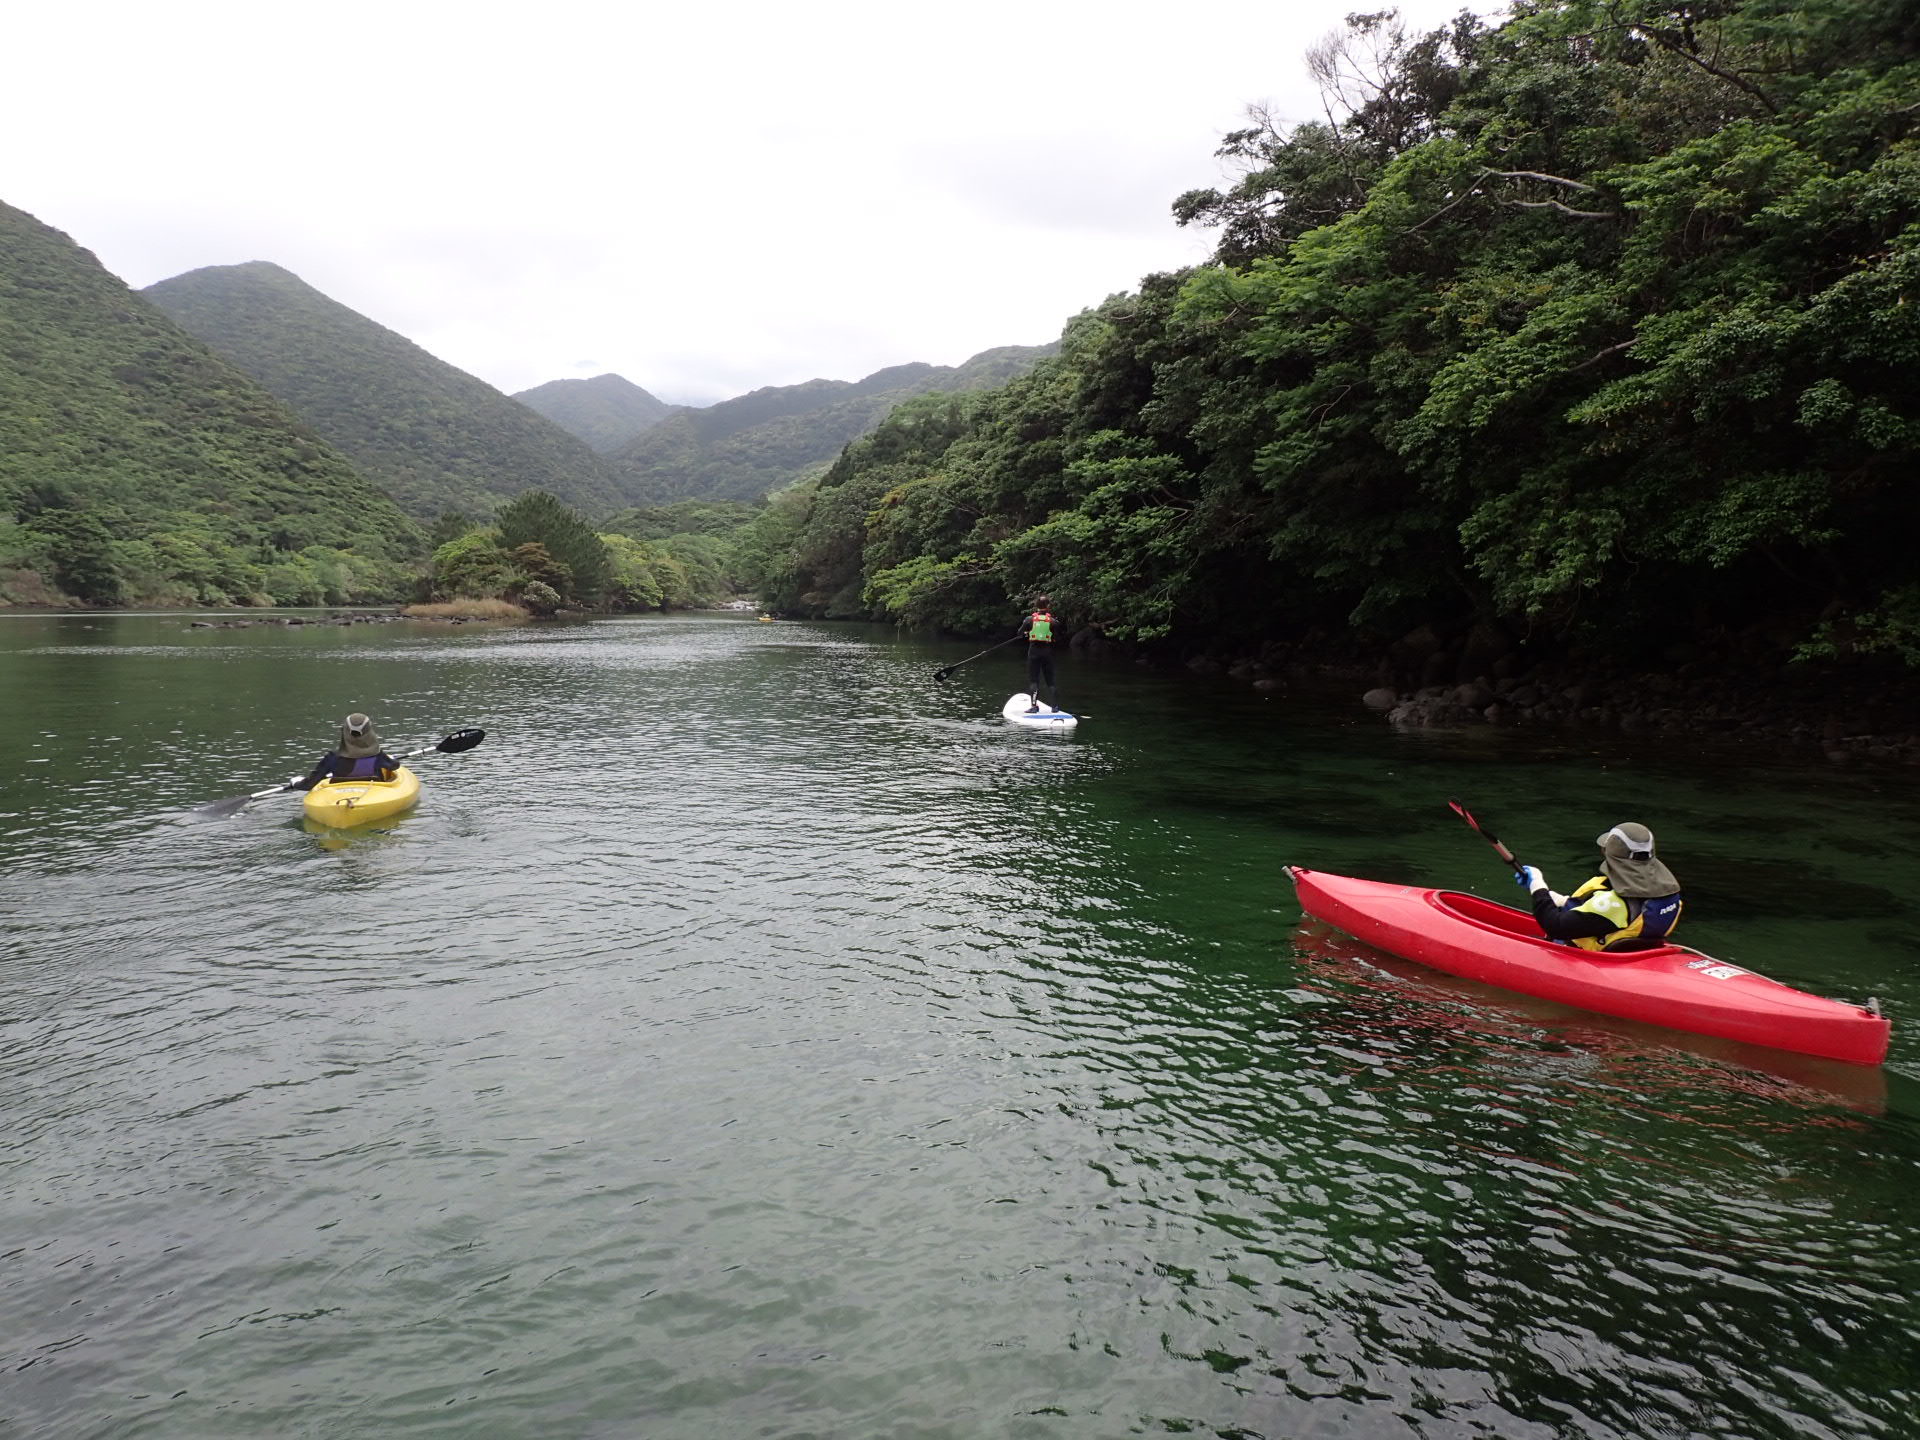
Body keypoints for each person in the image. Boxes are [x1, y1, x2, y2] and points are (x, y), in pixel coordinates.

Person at [1516, 822, 1684, 951]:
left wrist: (1537, 884)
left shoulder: (1613, 903)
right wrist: (1549, 896)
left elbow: (1555, 926)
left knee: (1528, 941)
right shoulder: (1667, 894)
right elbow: (1601, 915)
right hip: (1634, 955)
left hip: (1585, 959)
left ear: (1610, 855)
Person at [294, 713, 400, 790]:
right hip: (372, 790)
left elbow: (309, 784)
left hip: (337, 793)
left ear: (344, 732)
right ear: (369, 733)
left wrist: (296, 783)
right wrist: (390, 758)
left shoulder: (332, 758)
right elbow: (394, 766)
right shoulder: (378, 756)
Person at [1019, 596, 1059, 713]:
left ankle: (1034, 706)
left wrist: (1027, 633)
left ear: (1036, 606)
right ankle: (1055, 707)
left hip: (1034, 653)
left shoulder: (1029, 620)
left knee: (1034, 680)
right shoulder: (1053, 622)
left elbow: (1019, 633)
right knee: (1050, 681)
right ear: (1048, 606)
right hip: (1047, 653)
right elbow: (1056, 638)